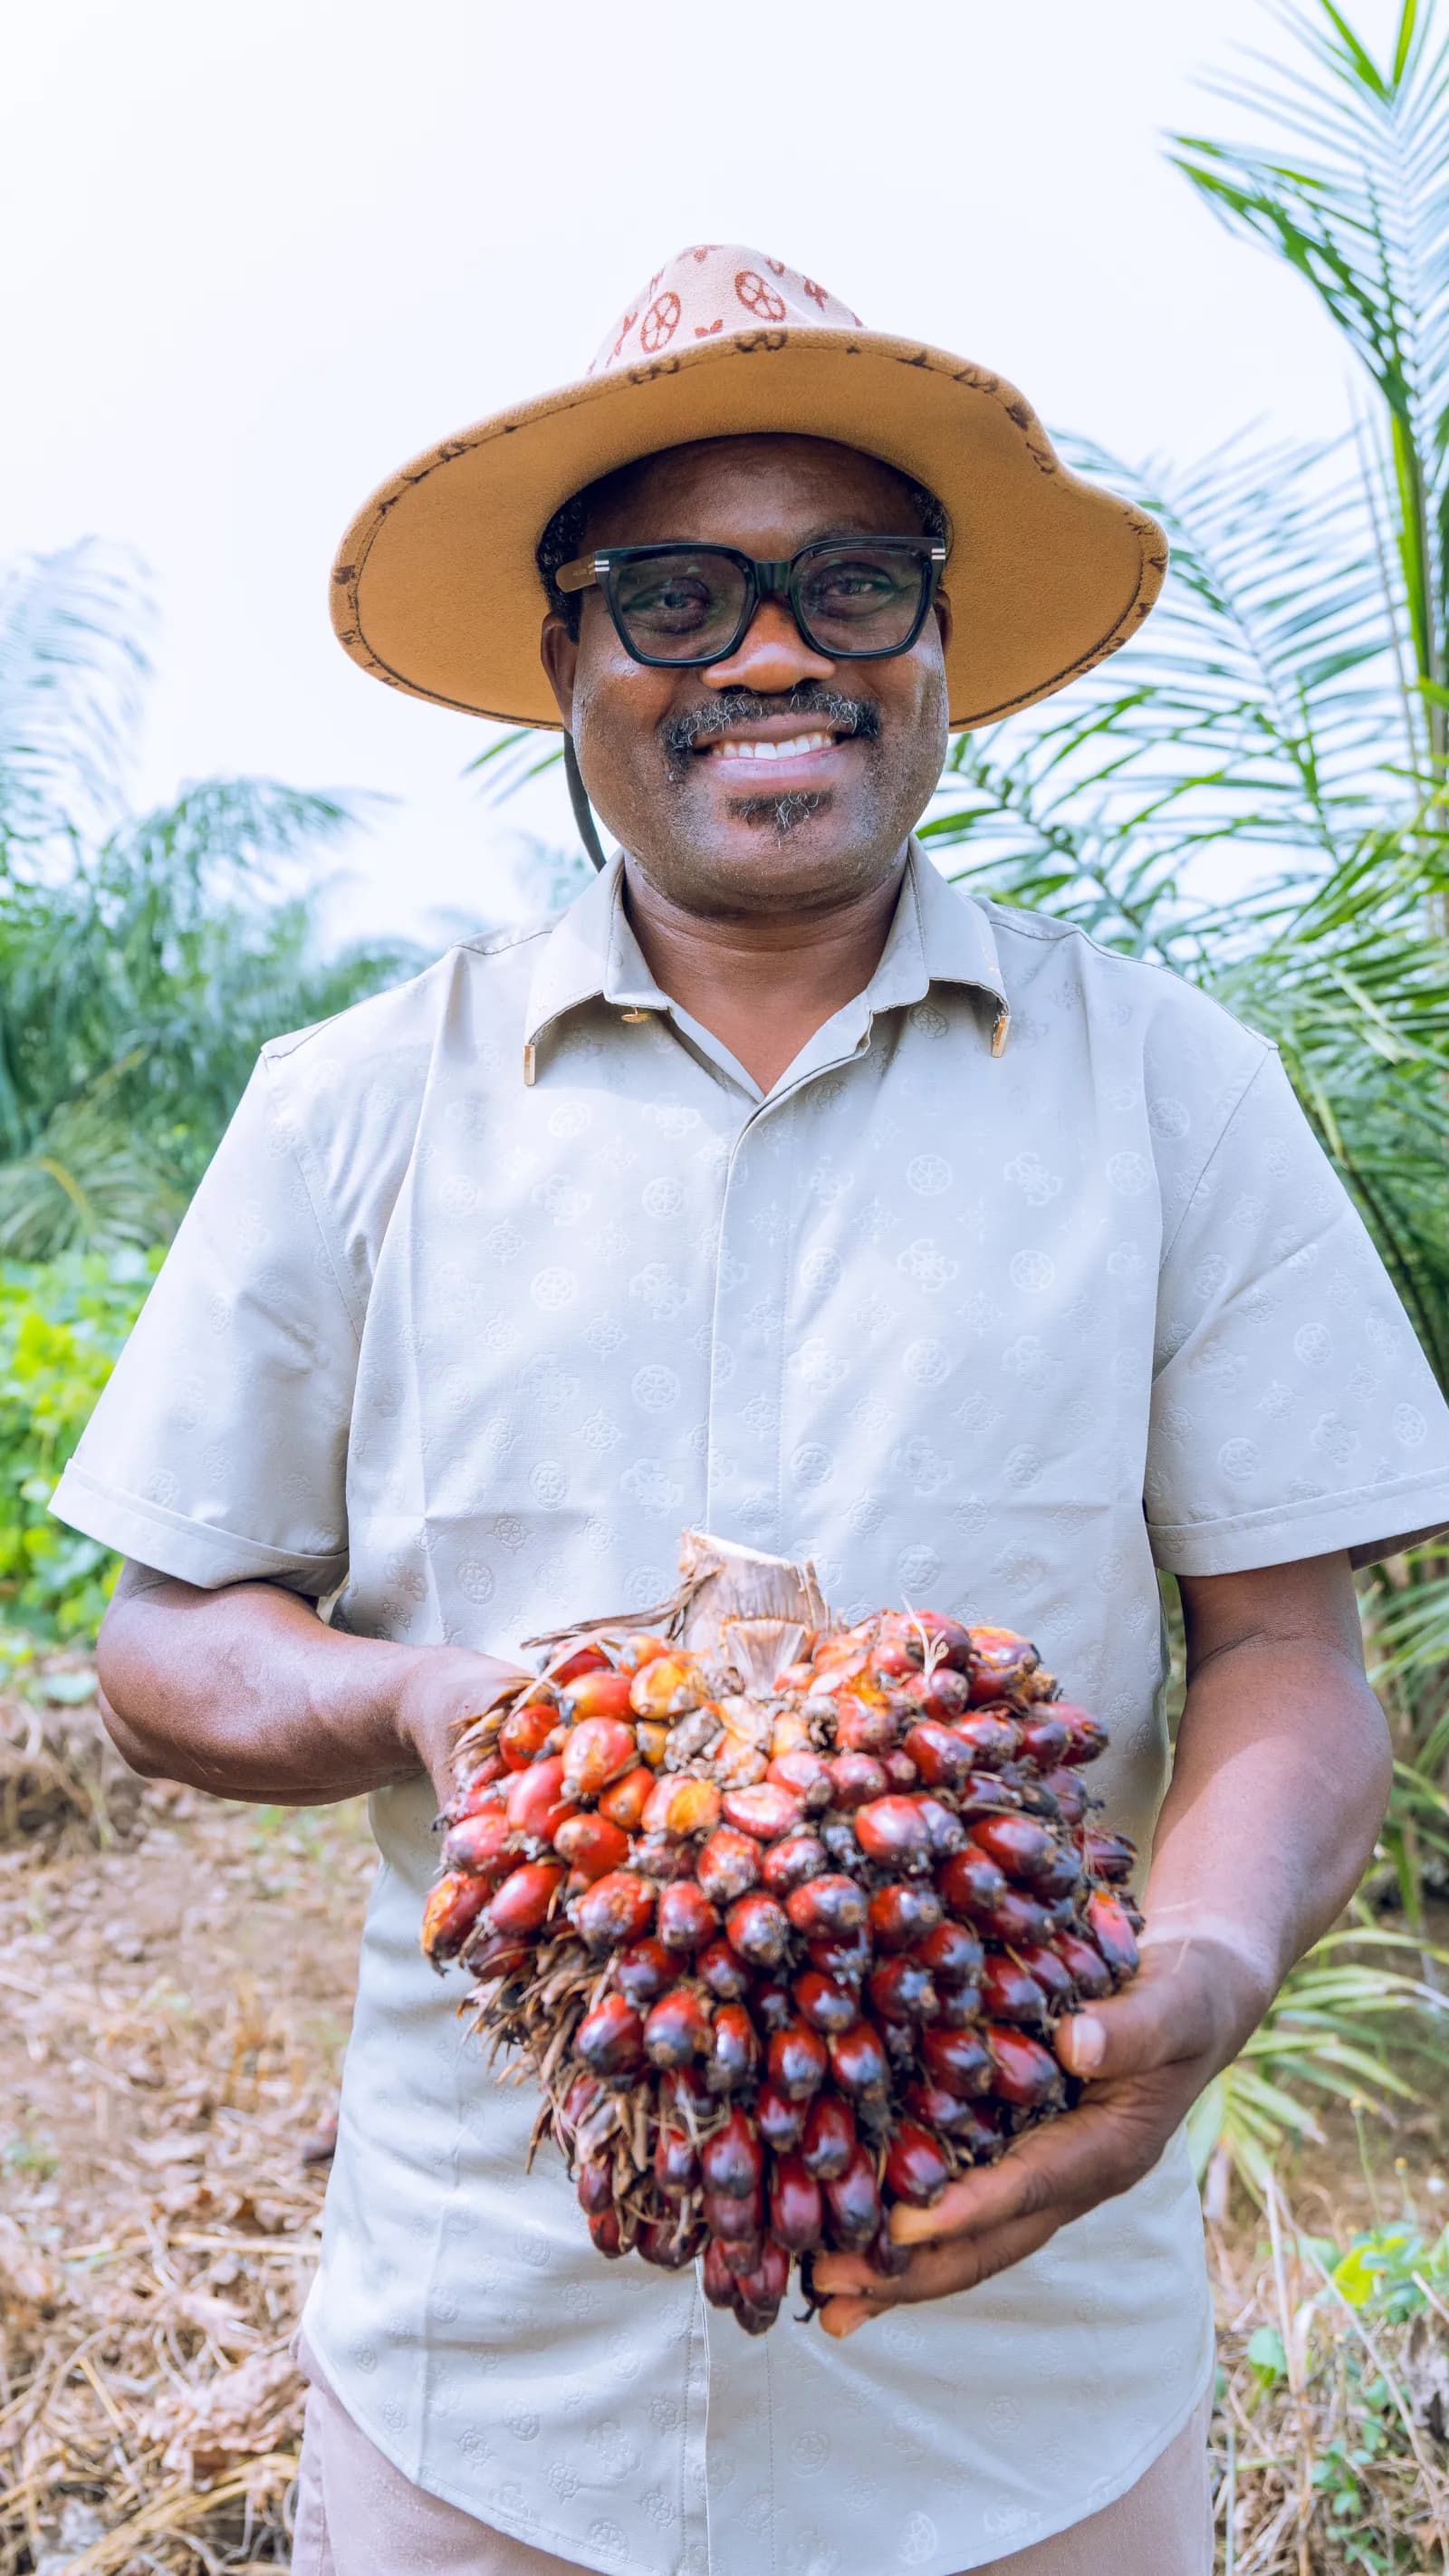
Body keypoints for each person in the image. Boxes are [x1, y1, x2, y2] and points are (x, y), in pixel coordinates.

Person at [57, 245, 1449, 2576]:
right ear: (567, 661)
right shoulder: (347, 1108)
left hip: (1030, 2397)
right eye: (678, 597)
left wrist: (1199, 1970)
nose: (773, 652)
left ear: (930, 648)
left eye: (849, 583)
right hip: (485, 2384)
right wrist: (414, 1702)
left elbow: (1287, 1650)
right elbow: (164, 1636)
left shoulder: (1177, 1097)